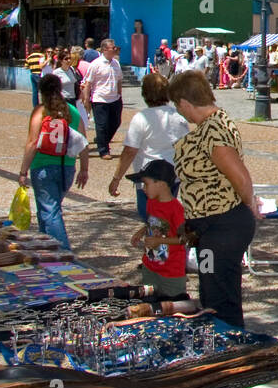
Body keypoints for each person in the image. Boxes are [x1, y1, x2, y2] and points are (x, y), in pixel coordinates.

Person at [169, 70, 258, 327]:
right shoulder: (212, 124)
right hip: (209, 228)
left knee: (220, 295)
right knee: (210, 288)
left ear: (185, 103)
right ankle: (218, 339)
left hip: (222, 226)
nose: (180, 112)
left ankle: (231, 344)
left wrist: (250, 203)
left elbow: (240, 176)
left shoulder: (214, 130)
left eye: (178, 106)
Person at [19, 73, 90, 251]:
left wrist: (22, 171)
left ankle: (62, 253)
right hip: (66, 167)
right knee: (49, 209)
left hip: (43, 166)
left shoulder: (41, 111)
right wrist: (84, 169)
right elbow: (83, 142)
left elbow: (33, 142)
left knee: (50, 211)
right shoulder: (72, 111)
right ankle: (47, 249)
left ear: (41, 91)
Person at [109, 72, 190, 222]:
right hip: (172, 174)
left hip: (148, 175)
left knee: (150, 217)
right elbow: (186, 146)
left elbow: (130, 151)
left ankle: (157, 243)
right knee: (166, 216)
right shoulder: (178, 117)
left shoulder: (141, 118)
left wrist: (116, 178)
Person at [128, 159, 189, 301]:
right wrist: (142, 231)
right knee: (150, 301)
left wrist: (160, 241)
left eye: (146, 184)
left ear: (161, 184)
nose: (143, 188)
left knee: (173, 304)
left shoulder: (176, 209)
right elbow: (153, 223)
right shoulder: (151, 202)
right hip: (150, 265)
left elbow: (185, 238)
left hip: (171, 271)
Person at [81, 38, 124, 160]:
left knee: (116, 122)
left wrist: (120, 95)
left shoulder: (116, 63)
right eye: (113, 48)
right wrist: (86, 99)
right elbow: (88, 83)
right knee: (102, 125)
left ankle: (103, 140)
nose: (115, 49)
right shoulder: (96, 64)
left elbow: (119, 80)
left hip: (115, 99)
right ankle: (103, 149)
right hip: (100, 99)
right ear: (105, 49)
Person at [25, 43, 47, 108]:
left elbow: (26, 67)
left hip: (33, 74)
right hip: (40, 74)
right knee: (43, 91)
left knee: (35, 92)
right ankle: (44, 105)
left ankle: (35, 106)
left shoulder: (29, 57)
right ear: (39, 49)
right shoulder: (42, 56)